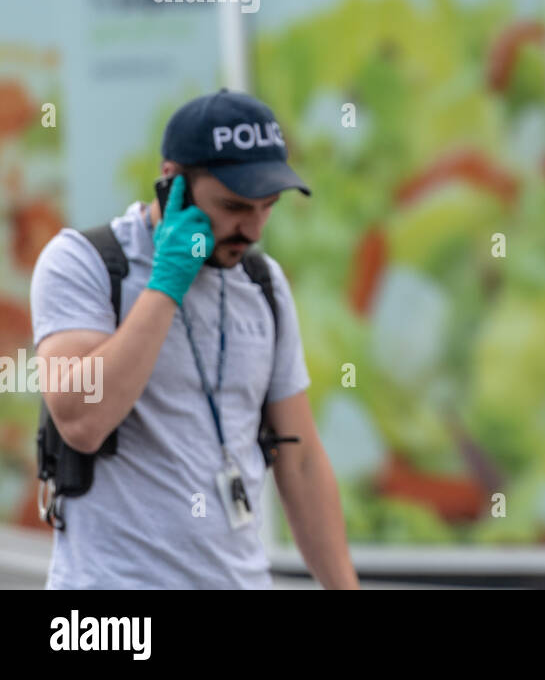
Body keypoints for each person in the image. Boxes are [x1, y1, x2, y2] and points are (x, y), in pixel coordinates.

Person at [29, 88, 359, 590]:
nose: (251, 228)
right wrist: (167, 284)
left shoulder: (263, 282)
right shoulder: (82, 262)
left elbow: (302, 458)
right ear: (172, 183)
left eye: (267, 207)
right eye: (233, 206)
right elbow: (80, 419)